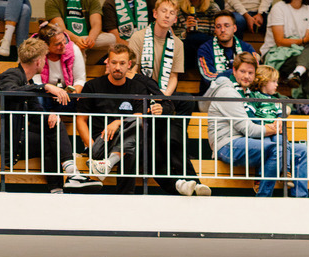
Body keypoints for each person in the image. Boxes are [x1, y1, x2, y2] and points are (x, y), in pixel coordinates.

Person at [77, 44, 211, 195]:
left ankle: (125, 192)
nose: (117, 67)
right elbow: (81, 120)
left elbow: (140, 117)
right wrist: (93, 147)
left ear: (129, 65)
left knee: (138, 140)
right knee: (140, 140)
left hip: (128, 141)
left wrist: (118, 122)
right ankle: (177, 185)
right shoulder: (92, 86)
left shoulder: (138, 87)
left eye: (122, 63)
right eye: (114, 62)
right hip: (102, 141)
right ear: (107, 62)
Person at [0, 37, 101, 191]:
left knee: (53, 127)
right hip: (7, 142)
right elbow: (9, 92)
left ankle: (60, 186)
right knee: (52, 136)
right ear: (39, 61)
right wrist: (45, 87)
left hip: (17, 138)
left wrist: (49, 116)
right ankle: (72, 174)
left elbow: (35, 113)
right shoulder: (12, 75)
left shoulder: (29, 82)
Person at [206, 53, 309, 197]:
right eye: (242, 71)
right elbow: (248, 129)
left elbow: (280, 105)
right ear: (234, 71)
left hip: (249, 142)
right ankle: (263, 198)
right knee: (278, 149)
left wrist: (280, 118)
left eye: (250, 73)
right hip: (227, 144)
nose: (246, 76)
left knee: (302, 150)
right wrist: (273, 128)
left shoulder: (249, 94)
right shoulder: (228, 92)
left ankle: (300, 200)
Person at [260, 0, 309, 100]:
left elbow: (308, 40)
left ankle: (297, 73)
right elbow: (279, 41)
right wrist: (305, 40)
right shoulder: (279, 8)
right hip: (277, 54)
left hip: (299, 54)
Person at [128, 0, 186, 97]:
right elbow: (132, 72)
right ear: (155, 14)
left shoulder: (178, 43)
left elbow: (173, 77)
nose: (167, 16)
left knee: (187, 100)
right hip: (141, 92)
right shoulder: (137, 37)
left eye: (172, 13)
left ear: (175, 19)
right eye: (164, 11)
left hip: (164, 92)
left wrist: (164, 96)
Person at [197, 11, 257, 93]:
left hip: (243, 93)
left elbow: (256, 73)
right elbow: (208, 77)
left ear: (235, 28)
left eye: (227, 26)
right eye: (218, 26)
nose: (222, 30)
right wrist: (235, 72)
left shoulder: (247, 48)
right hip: (214, 96)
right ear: (215, 30)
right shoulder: (205, 49)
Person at [46, 0, 117, 55]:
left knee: (111, 38)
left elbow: (96, 24)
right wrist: (76, 39)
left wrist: (91, 38)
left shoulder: (92, 1)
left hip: (88, 41)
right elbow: (60, 29)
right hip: (66, 41)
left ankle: (81, 66)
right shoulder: (52, 2)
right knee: (76, 46)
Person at [37, 22, 88, 92]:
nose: (63, 45)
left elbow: (80, 79)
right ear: (45, 45)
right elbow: (36, 84)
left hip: (67, 93)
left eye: (64, 40)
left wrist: (73, 93)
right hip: (43, 93)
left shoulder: (73, 49)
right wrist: (53, 92)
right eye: (58, 44)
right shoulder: (36, 53)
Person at [176, 0, 223, 71]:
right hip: (188, 49)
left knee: (197, 38)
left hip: (207, 45)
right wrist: (186, 28)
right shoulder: (179, 9)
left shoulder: (212, 7)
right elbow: (176, 37)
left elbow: (220, 32)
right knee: (191, 39)